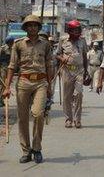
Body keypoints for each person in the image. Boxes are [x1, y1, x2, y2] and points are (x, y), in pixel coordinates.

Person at [2, 15, 53, 164]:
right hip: (23, 82)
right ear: (25, 28)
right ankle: (26, 150)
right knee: (22, 118)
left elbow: (49, 66)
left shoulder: (45, 45)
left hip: (41, 82)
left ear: (39, 27)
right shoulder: (18, 45)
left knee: (38, 113)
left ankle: (37, 148)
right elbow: (11, 66)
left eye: (35, 25)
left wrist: (49, 86)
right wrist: (6, 87)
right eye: (29, 25)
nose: (32, 28)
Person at [56, 20, 89, 129]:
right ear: (69, 30)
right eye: (74, 30)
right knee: (67, 96)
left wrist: (86, 71)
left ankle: (77, 119)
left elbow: (84, 57)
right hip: (66, 71)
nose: (76, 32)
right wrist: (62, 58)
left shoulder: (82, 41)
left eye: (77, 29)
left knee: (79, 94)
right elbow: (57, 54)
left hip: (79, 71)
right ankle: (68, 119)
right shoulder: (63, 40)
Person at [0, 36, 14, 105]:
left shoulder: (14, 49)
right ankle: (1, 99)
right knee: (3, 84)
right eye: (9, 42)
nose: (11, 44)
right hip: (3, 67)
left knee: (8, 84)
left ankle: (2, 98)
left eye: (11, 42)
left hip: (10, 68)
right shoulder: (3, 49)